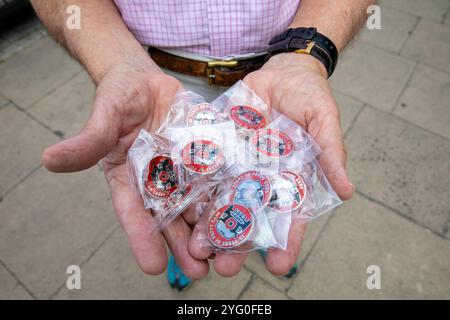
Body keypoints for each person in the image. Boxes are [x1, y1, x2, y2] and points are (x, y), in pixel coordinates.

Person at [31, 0, 373, 290]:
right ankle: (190, 233)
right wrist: (114, 63)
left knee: (262, 180)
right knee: (182, 198)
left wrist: (307, 54)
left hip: (283, 69)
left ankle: (264, 225)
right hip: (156, 81)